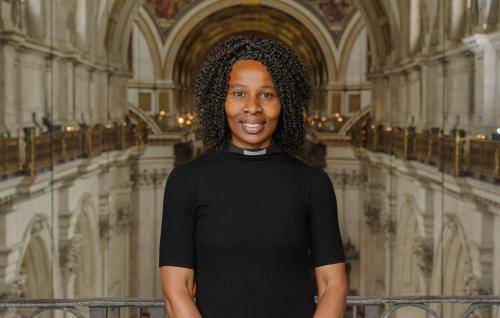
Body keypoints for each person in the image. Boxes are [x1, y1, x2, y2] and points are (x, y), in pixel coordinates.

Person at [159, 35, 348, 318]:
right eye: (238, 93)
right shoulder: (186, 182)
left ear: (284, 103)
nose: (252, 107)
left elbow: (333, 285)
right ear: (220, 102)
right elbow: (176, 291)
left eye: (267, 94)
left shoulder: (313, 183)